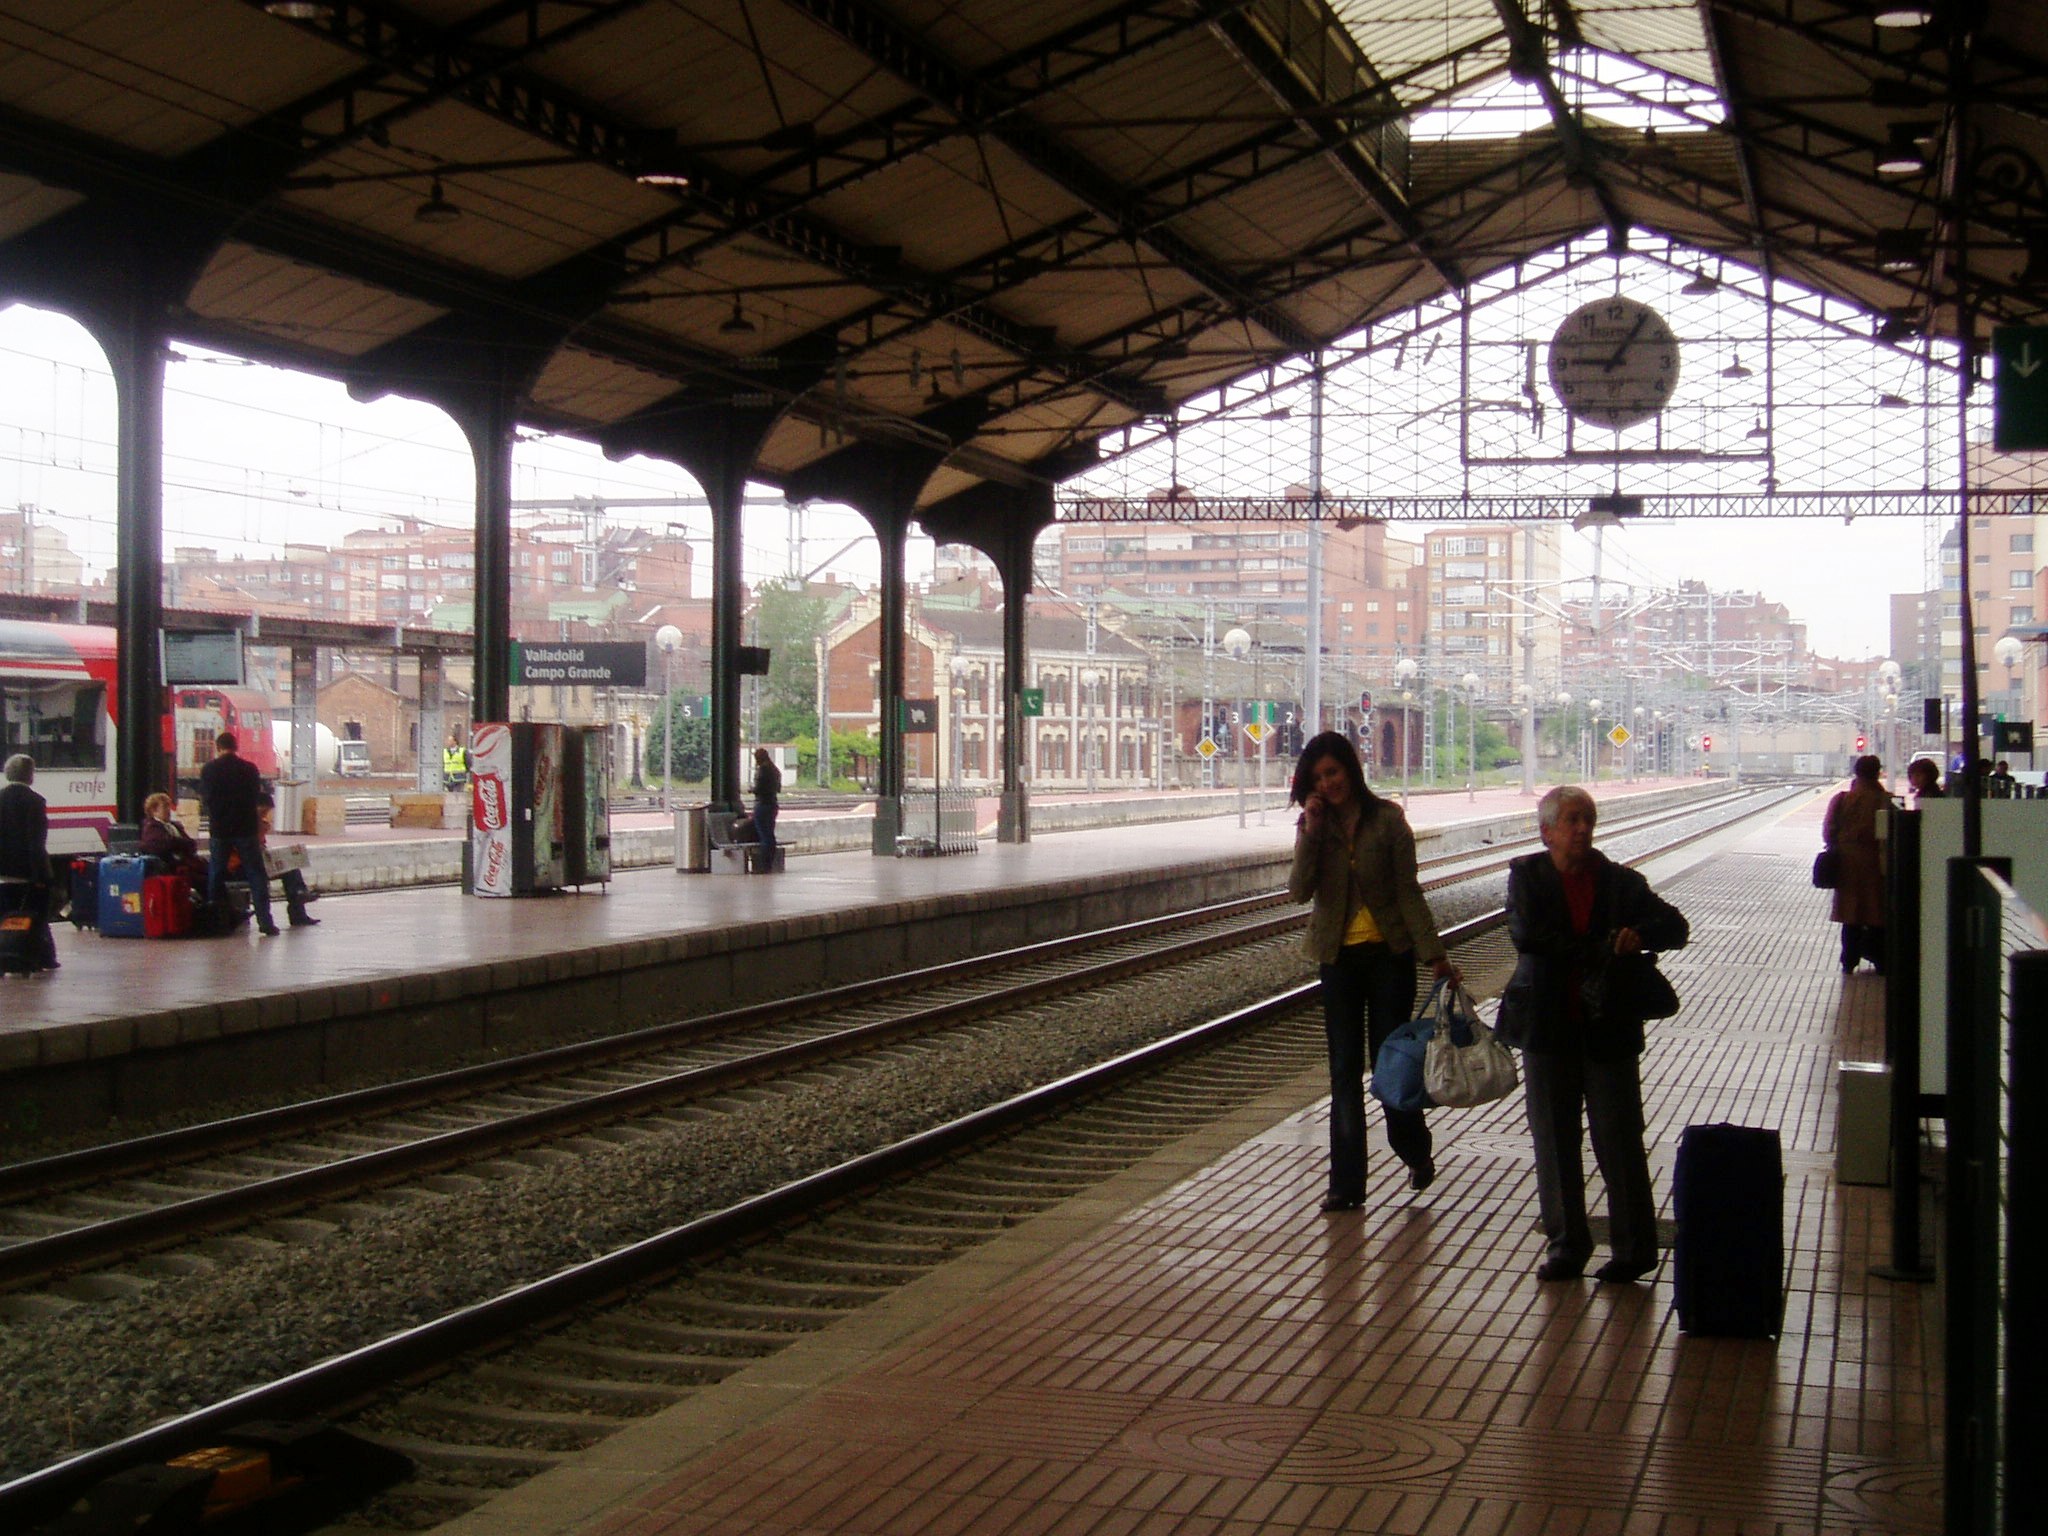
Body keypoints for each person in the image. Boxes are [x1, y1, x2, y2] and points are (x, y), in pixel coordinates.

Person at [1496, 786, 1689, 1283]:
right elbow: (1529, 936)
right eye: (1572, 820)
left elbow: (1676, 926)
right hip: (1548, 1026)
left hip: (1608, 1027)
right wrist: (1602, 947)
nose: (1583, 829)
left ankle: (1635, 1248)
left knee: (1619, 1137)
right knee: (1553, 1139)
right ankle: (1567, 1245)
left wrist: (1641, 935)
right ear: (1547, 832)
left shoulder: (1621, 882)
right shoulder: (1527, 878)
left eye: (1588, 819)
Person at [1287, 730, 1458, 1212]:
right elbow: (1298, 891)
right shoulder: (1313, 825)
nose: (1328, 783)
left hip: (1389, 959)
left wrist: (1435, 956)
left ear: (1351, 769)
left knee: (1391, 1065)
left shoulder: (1387, 820)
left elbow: (1408, 892)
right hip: (1339, 961)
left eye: (1333, 772)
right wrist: (1311, 831)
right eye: (1318, 778)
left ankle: (1414, 1150)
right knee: (1343, 1071)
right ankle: (1346, 1186)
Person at [199, 731, 277, 937]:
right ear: (236, 747)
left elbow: (206, 799)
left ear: (218, 747)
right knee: (256, 875)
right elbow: (255, 796)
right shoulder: (249, 769)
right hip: (245, 828)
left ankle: (215, 920)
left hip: (220, 829)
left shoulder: (209, 769)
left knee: (216, 873)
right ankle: (265, 922)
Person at [1823, 754, 1888, 974]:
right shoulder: (1885, 800)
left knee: (1850, 915)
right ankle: (1879, 959)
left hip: (1846, 864)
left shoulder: (1841, 799)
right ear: (1877, 772)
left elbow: (1828, 832)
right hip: (1877, 864)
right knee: (1877, 913)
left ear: (1856, 772)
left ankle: (1849, 961)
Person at [0, 753, 58, 971]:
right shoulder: (35, 801)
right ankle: (37, 958)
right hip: (25, 873)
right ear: (29, 774)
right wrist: (40, 876)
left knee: (5, 916)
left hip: (2, 874)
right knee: (36, 916)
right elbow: (36, 842)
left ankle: (6, 955)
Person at [751, 747, 782, 861]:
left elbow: (758, 789)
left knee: (763, 835)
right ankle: (771, 861)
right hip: (773, 804)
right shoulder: (775, 770)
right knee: (770, 834)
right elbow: (778, 789)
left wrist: (751, 789)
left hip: (762, 804)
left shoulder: (762, 770)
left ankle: (764, 862)